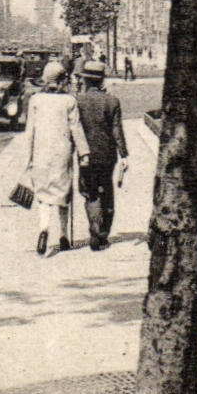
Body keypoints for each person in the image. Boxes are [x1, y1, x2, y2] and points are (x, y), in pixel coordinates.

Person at [22, 69, 88, 257]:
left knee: (43, 195)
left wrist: (27, 159)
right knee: (63, 195)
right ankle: (64, 236)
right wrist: (84, 153)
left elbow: (30, 131)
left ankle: (43, 229)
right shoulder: (69, 101)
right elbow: (76, 128)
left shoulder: (36, 100)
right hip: (62, 153)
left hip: (41, 153)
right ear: (61, 81)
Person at [73, 60, 128, 251]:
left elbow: (74, 130)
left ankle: (95, 229)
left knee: (90, 192)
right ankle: (104, 232)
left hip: (85, 154)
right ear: (102, 79)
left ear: (85, 80)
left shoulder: (77, 101)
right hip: (107, 155)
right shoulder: (112, 101)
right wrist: (124, 154)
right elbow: (117, 130)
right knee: (107, 189)